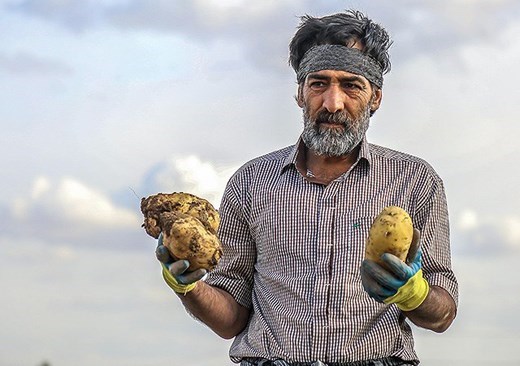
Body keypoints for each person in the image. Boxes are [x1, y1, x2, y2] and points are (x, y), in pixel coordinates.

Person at [156, 10, 458, 366]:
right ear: (300, 93)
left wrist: (413, 293)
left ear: (375, 98)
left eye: (351, 85)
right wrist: (189, 287)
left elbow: (444, 313)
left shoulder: (415, 181)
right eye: (318, 84)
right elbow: (231, 319)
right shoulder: (250, 183)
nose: (333, 103)